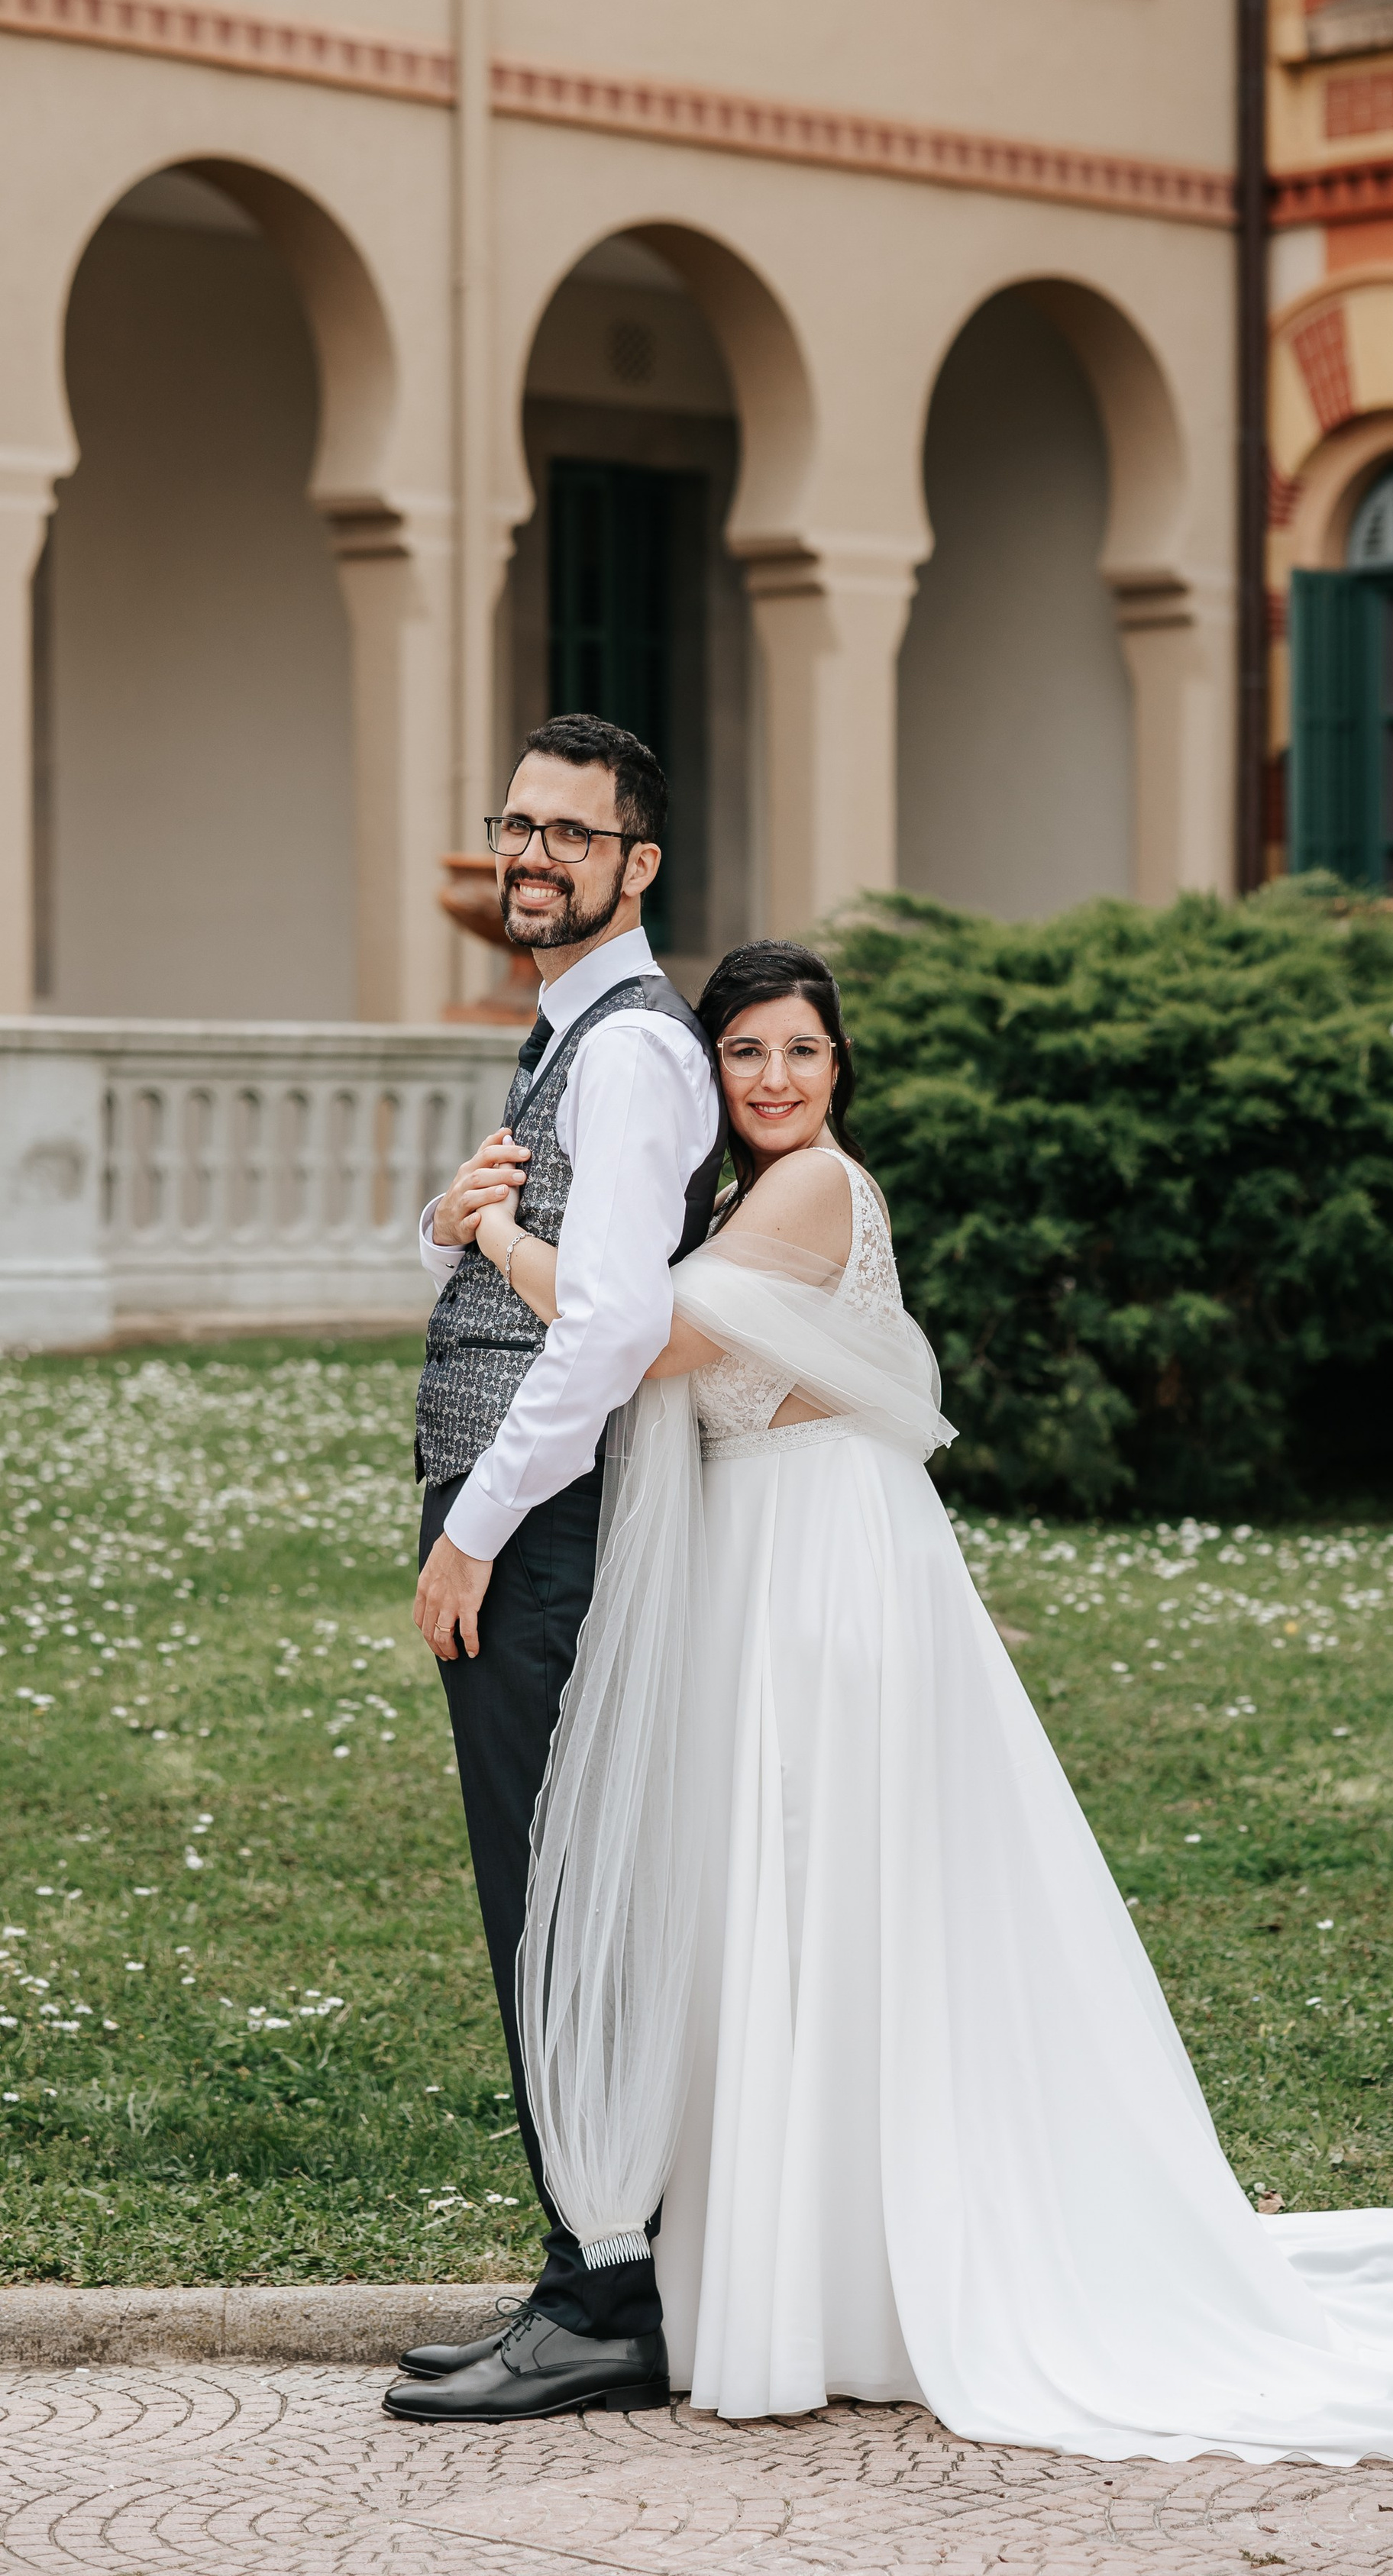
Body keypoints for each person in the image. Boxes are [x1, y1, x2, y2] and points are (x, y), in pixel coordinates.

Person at [428, 936, 1393, 2468]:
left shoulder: (812, 1190)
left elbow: (644, 1336)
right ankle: (814, 2274)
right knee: (795, 1911)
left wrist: (492, 1233)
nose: (776, 1077)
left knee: (837, 1897)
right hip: (773, 1562)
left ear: (840, 1066)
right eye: (747, 1052)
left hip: (823, 1571)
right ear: (714, 1070)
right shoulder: (741, 1205)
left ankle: (865, 2276)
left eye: (803, 1048)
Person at [382, 714, 722, 2427]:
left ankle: (604, 2298)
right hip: (523, 1517)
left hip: (540, 1526)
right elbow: (538, 1270)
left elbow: (608, 1331)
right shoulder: (570, 1032)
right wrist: (454, 1219)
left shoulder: (630, 1049)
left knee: (556, 1907)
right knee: (550, 1895)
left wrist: (474, 1528)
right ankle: (589, 2269)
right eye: (517, 824)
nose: (529, 854)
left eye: (568, 834)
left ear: (635, 863)